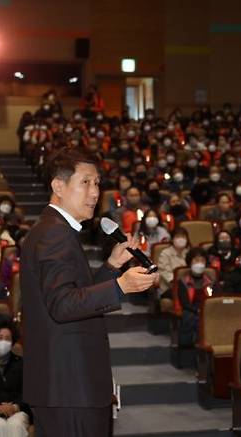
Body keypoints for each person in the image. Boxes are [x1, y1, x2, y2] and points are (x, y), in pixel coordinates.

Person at [20, 147, 156, 436]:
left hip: (67, 386)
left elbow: (72, 293)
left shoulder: (55, 229)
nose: (95, 193)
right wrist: (120, 286)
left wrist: (110, 266)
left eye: (97, 183)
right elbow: (63, 305)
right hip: (69, 387)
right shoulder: (55, 233)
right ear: (58, 186)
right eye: (85, 182)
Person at [175, 247, 219, 346]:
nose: (199, 263)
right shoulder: (183, 282)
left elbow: (216, 298)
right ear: (190, 263)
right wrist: (198, 310)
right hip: (191, 309)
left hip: (209, 309)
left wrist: (206, 309)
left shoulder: (211, 281)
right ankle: (189, 347)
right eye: (196, 260)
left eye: (202, 260)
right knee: (191, 318)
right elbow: (185, 303)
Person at [157, 227, 190, 296]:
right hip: (169, 288)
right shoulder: (165, 254)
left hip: (189, 285)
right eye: (178, 236)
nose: (181, 239)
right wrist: (182, 285)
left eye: (183, 237)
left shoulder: (189, 253)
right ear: (172, 239)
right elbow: (167, 275)